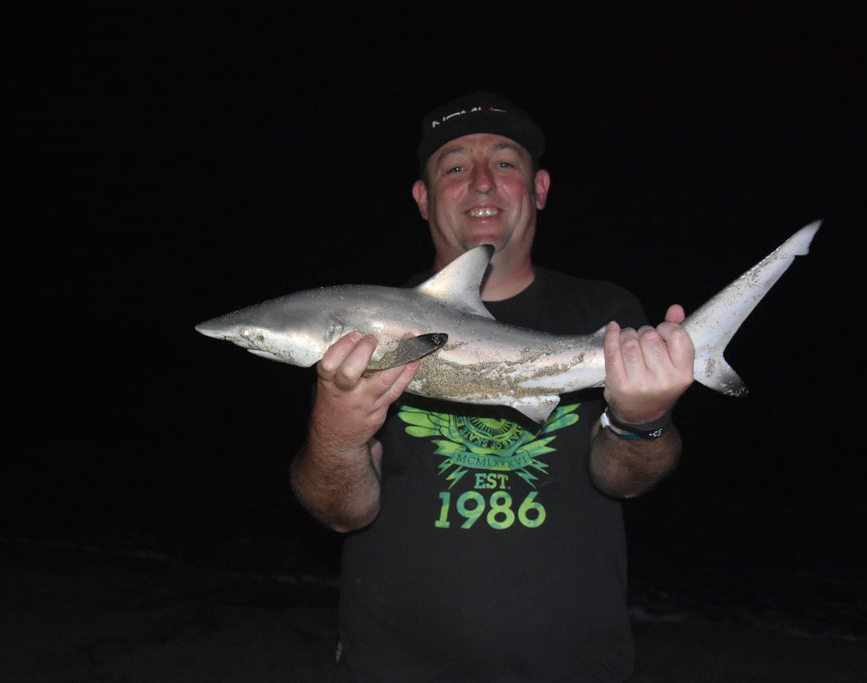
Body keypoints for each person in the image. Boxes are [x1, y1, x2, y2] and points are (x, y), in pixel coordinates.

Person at [290, 92, 695, 682]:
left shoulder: (604, 315)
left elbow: (625, 482)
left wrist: (640, 420)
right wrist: (334, 436)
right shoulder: (368, 328)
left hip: (570, 664)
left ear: (540, 190)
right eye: (454, 167)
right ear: (423, 201)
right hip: (394, 663)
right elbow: (342, 516)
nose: (481, 182)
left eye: (505, 164)